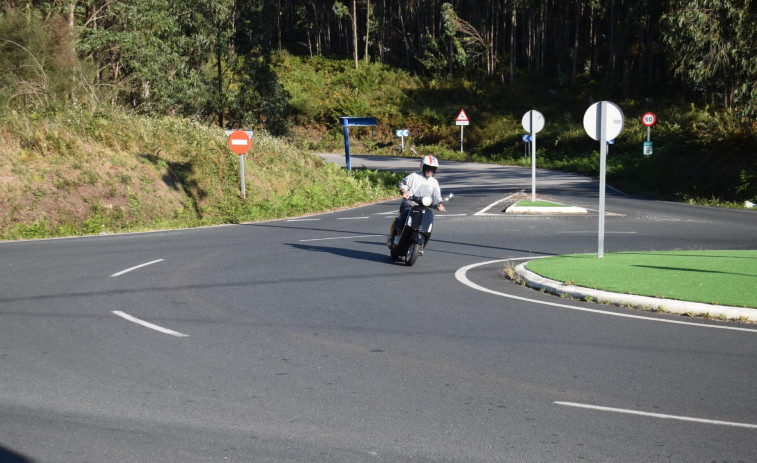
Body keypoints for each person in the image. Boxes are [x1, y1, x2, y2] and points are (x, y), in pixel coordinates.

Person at [389, 155, 446, 244]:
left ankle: (423, 240)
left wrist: (440, 204)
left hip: (423, 206)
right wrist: (404, 192)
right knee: (406, 214)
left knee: (427, 218)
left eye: (432, 169)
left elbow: (437, 196)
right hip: (410, 203)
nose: (430, 171)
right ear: (422, 166)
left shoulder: (434, 182)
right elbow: (403, 184)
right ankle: (398, 236)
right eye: (428, 167)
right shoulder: (414, 176)